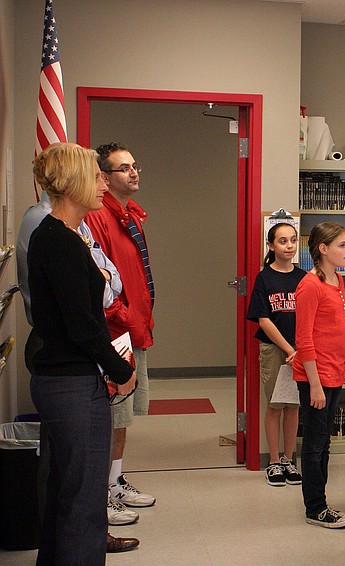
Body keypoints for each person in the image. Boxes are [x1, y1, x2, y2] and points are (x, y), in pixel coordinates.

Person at [27, 143, 137, 562]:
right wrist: (119, 369)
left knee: (67, 490)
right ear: (73, 183)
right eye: (96, 176)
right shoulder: (60, 241)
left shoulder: (64, 235)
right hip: (71, 383)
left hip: (66, 380)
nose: (102, 184)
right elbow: (81, 324)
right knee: (84, 501)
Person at [86, 142, 156, 521]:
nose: (133, 172)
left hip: (134, 329)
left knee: (124, 415)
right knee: (112, 414)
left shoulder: (130, 214)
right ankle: (101, 492)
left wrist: (140, 320)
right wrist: (125, 317)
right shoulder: (98, 217)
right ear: (104, 176)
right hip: (116, 331)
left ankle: (114, 482)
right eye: (124, 168)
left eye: (134, 165)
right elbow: (100, 284)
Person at [292, 223, 345, 528]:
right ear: (323, 249)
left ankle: (320, 502)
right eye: (342, 246)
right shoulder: (310, 285)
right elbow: (304, 339)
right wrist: (315, 386)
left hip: (333, 373)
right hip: (315, 377)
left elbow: (337, 327)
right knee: (314, 444)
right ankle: (316, 508)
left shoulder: (338, 281)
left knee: (324, 443)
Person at [247, 221, 307, 486]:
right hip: (275, 349)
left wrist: (301, 349)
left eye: (293, 240)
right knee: (275, 404)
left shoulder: (304, 277)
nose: (289, 246)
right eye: (282, 241)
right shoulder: (264, 278)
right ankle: (273, 461)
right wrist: (289, 349)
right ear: (270, 245)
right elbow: (264, 320)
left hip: (300, 350)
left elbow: (310, 316)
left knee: (293, 406)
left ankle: (288, 459)